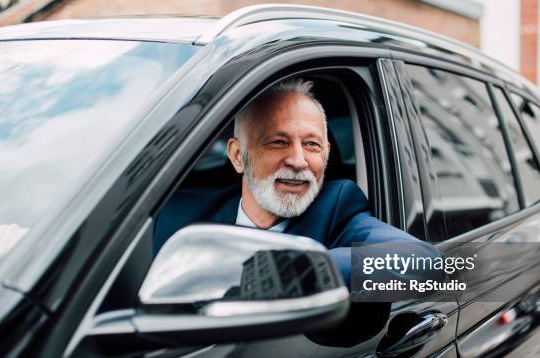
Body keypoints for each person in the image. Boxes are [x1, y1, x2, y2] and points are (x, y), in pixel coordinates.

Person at [154, 78, 439, 282]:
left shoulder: (337, 208)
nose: (299, 161)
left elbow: (425, 263)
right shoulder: (177, 217)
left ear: (326, 154)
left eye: (312, 145)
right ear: (239, 155)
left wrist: (294, 270)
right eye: (278, 142)